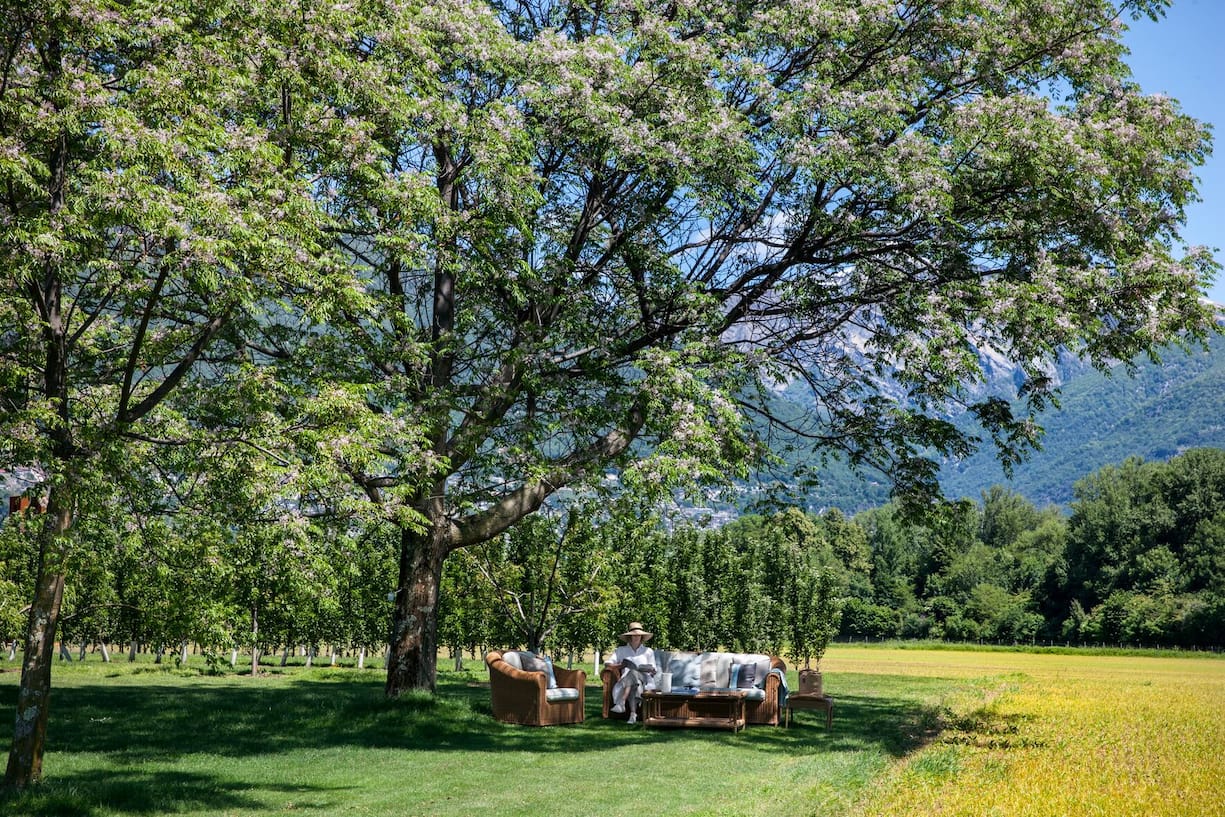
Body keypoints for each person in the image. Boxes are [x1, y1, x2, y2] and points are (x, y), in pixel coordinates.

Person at [607, 621, 657, 724]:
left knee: (634, 673)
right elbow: (608, 664)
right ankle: (633, 714)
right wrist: (621, 666)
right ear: (629, 637)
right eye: (634, 635)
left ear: (642, 636)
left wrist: (650, 670)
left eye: (639, 635)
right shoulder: (621, 650)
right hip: (628, 681)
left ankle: (621, 702)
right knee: (635, 683)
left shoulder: (648, 651)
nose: (636, 637)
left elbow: (654, 670)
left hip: (644, 679)